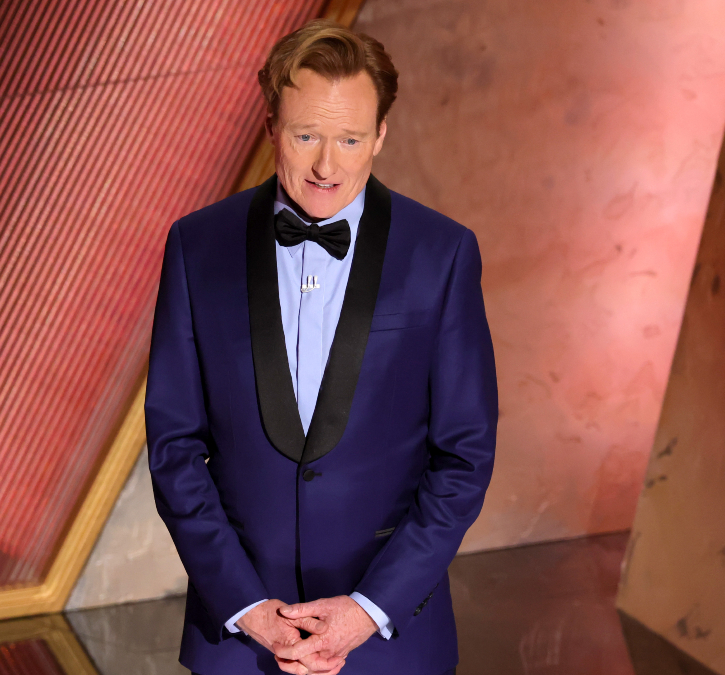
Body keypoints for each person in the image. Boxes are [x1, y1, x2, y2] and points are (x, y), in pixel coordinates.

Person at [145, 18, 497, 675]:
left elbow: (465, 455)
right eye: (307, 135)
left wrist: (368, 609)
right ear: (273, 125)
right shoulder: (197, 247)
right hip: (236, 641)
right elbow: (173, 446)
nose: (327, 165)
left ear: (381, 136)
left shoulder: (442, 254)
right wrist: (247, 606)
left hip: (393, 640)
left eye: (350, 138)